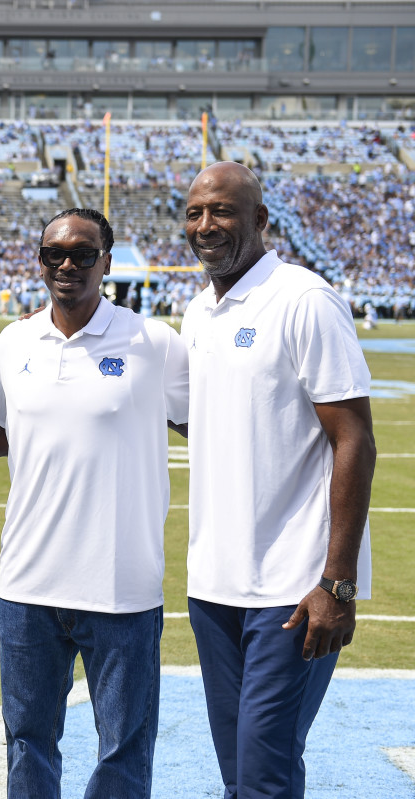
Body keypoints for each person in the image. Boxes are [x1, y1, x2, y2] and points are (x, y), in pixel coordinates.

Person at [0, 208, 188, 798]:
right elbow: (12, 431)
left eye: (83, 254)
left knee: (124, 749)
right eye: (55, 253)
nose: (67, 264)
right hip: (28, 584)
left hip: (122, 585)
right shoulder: (16, 340)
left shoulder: (152, 341)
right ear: (39, 261)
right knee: (28, 741)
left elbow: (211, 426)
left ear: (106, 262)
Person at [182, 162, 376, 798]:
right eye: (195, 213)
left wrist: (337, 583)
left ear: (262, 220)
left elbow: (354, 440)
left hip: (294, 588)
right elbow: (210, 425)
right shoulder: (197, 313)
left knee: (264, 773)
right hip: (216, 583)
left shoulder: (303, 299)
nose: (207, 225)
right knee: (242, 776)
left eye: (223, 211)